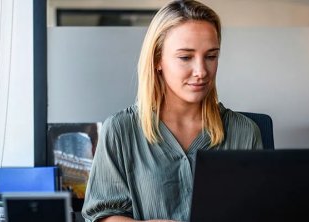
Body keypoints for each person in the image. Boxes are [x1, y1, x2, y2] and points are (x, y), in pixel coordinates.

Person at [81, 1, 263, 221]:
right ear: (158, 60)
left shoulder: (245, 132)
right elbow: (102, 215)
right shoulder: (120, 130)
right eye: (186, 57)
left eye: (211, 56)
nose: (201, 71)